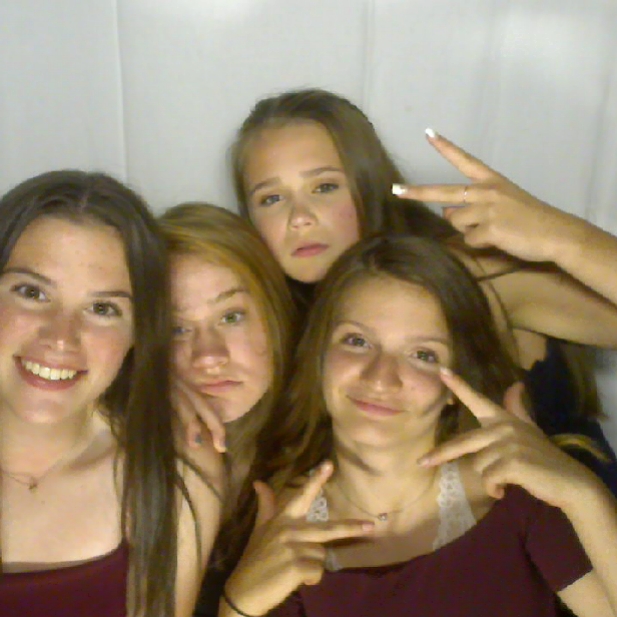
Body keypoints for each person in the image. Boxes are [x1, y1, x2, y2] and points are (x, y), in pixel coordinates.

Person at [228, 88, 617, 493]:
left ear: (368, 184)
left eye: (324, 187)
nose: (299, 218)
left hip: (583, 520)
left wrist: (560, 237)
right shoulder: (280, 320)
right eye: (272, 198)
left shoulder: (467, 272)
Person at [221, 235, 617, 617]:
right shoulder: (281, 528)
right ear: (319, 354)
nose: (381, 378)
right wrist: (236, 606)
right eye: (357, 341)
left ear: (457, 381)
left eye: (423, 355)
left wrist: (582, 494)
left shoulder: (514, 494)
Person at [0, 171, 223, 617]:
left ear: (139, 331)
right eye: (32, 292)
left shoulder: (175, 471)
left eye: (102, 309)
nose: (61, 337)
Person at [158, 203, 301, 617]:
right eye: (176, 328)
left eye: (231, 316)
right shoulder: (116, 458)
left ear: (274, 314)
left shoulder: (330, 454)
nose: (208, 356)